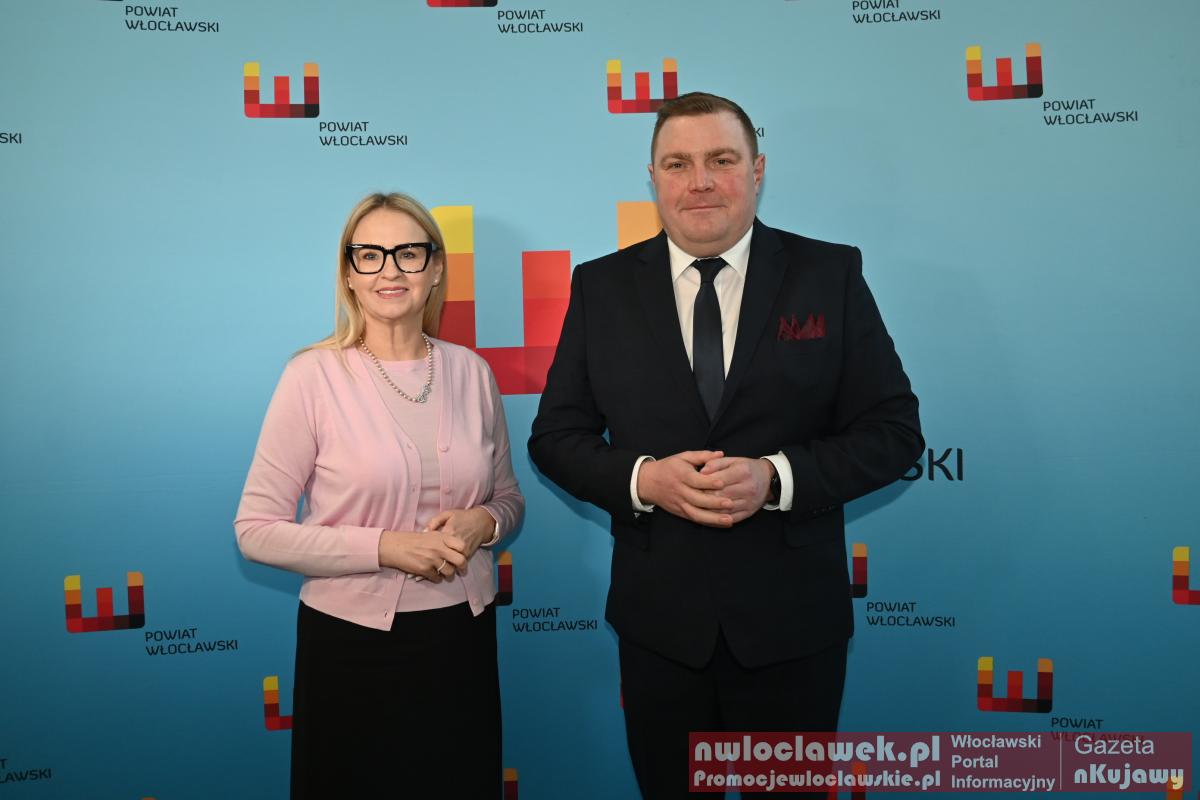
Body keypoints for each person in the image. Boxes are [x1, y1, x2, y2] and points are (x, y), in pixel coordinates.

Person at [528, 93, 923, 798]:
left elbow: (894, 432)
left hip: (793, 628)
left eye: (721, 160)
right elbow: (556, 437)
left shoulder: (828, 274)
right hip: (660, 628)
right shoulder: (601, 286)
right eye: (678, 164)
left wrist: (775, 478)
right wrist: (644, 480)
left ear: (757, 170)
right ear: (653, 177)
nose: (700, 181)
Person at [235, 192, 523, 799]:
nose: (390, 269)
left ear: (435, 268)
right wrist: (385, 548)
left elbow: (508, 499)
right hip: (350, 647)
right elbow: (255, 531)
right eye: (369, 254)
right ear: (348, 273)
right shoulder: (311, 377)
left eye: (408, 253)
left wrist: (483, 524)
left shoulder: (472, 372)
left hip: (462, 640)